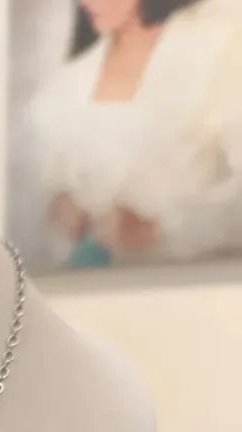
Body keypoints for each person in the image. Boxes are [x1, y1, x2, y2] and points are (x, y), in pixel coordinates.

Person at [27, 0, 242, 268]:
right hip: (91, 282)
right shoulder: (66, 83)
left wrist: (159, 229)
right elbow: (44, 188)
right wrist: (60, 207)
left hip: (192, 279)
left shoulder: (217, 49)